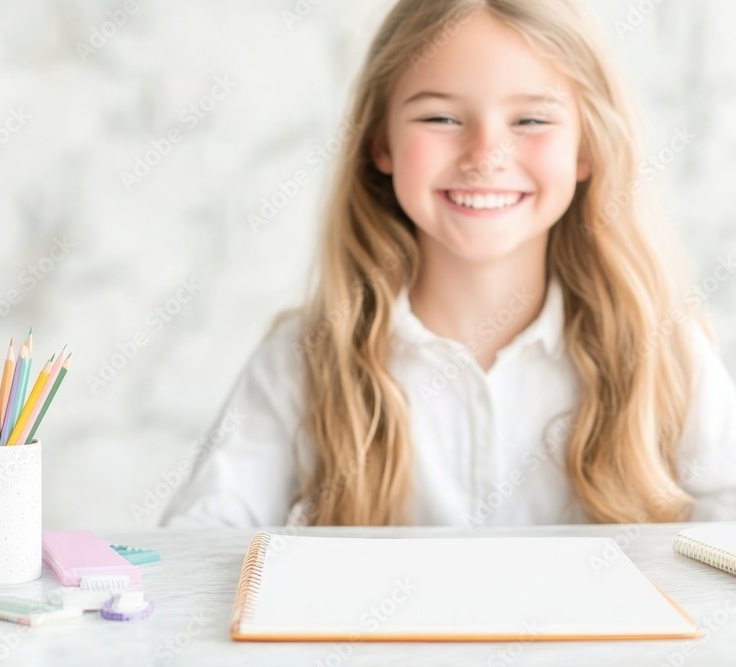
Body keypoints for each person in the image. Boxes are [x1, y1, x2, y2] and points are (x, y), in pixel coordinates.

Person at [161, 0, 736, 528]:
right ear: (379, 143)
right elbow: (201, 542)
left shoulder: (665, 351)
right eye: (440, 118)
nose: (486, 155)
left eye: (531, 120)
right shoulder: (306, 357)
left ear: (585, 149)